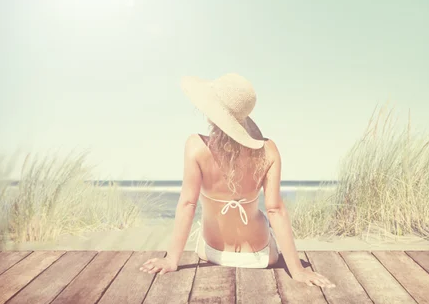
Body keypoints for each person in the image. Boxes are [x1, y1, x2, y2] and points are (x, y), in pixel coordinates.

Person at [139, 73, 335, 288]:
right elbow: (275, 210)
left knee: (203, 223)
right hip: (260, 256)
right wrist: (297, 270)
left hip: (212, 252)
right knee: (262, 221)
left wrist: (171, 260)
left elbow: (188, 204)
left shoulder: (196, 147)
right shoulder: (268, 150)